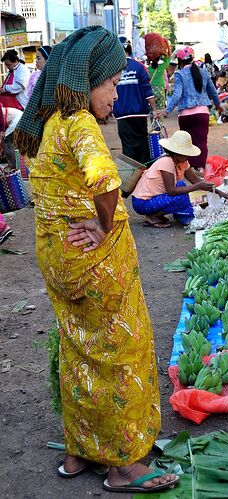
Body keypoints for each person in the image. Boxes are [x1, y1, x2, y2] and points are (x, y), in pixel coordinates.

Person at [14, 26, 178, 494]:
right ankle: (123, 466)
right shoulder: (80, 124)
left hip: (60, 260)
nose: (113, 94)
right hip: (94, 264)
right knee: (117, 354)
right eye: (110, 84)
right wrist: (106, 225)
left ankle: (79, 450)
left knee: (79, 352)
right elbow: (106, 181)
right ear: (90, 80)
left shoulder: (50, 123)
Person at [132, 130, 228, 227]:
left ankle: (175, 215)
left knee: (181, 186)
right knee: (181, 197)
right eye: (185, 153)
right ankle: (152, 216)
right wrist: (197, 186)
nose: (188, 156)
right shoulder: (166, 162)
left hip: (154, 198)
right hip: (142, 203)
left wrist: (218, 192)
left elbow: (196, 180)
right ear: (176, 153)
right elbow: (172, 191)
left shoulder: (182, 162)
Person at [160, 47, 224, 172]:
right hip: (202, 114)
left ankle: (189, 170)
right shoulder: (204, 72)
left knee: (186, 144)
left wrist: (167, 110)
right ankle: (200, 169)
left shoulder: (179, 74)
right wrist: (218, 105)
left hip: (185, 116)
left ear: (179, 61)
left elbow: (177, 95)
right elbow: (213, 92)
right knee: (201, 142)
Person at [113, 41, 158, 165]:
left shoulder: (113, 69)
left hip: (122, 114)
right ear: (130, 50)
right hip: (139, 115)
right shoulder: (139, 67)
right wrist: (154, 110)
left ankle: (132, 178)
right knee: (143, 145)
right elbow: (148, 91)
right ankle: (145, 176)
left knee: (128, 147)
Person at [0, 104, 23, 169]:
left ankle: (14, 166)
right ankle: (15, 165)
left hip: (17, 119)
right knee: (9, 143)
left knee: (6, 142)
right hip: (18, 118)